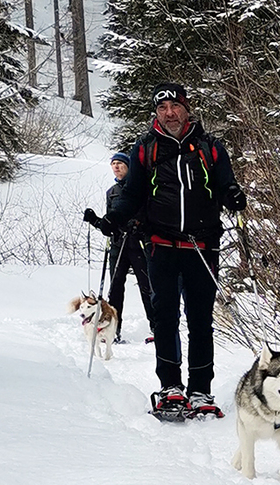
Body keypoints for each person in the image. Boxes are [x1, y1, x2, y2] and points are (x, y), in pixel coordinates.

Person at [85, 84, 247, 420]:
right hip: (160, 246)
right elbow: (131, 196)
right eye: (162, 109)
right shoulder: (144, 149)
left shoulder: (211, 147)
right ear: (155, 113)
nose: (169, 113)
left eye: (175, 106)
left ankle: (201, 388)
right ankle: (170, 386)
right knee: (165, 319)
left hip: (202, 246)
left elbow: (226, 184)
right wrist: (113, 220)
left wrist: (233, 195)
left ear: (186, 108)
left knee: (201, 320)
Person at [95, 152, 154, 344]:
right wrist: (97, 222)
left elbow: (149, 214)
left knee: (147, 287)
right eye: (113, 164)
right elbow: (109, 221)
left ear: (129, 167)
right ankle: (112, 331)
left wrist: (138, 224)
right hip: (118, 244)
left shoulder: (140, 187)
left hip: (138, 244)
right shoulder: (111, 192)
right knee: (115, 290)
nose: (116, 167)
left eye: (120, 163)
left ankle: (157, 329)